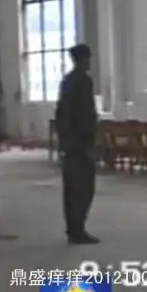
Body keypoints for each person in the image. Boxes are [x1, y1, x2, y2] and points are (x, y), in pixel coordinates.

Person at [55, 44, 100, 244]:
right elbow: (86, 115)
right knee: (84, 188)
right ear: (83, 59)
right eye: (88, 58)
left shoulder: (66, 81)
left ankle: (72, 228)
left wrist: (64, 140)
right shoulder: (84, 81)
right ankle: (78, 229)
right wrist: (90, 142)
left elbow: (61, 112)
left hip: (69, 142)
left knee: (71, 188)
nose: (90, 62)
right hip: (81, 143)